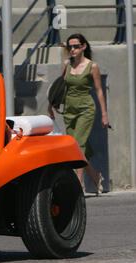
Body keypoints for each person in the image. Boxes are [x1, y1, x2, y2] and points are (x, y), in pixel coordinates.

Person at [48, 33, 110, 193]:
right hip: (69, 109)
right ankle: (96, 176)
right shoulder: (67, 64)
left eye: (76, 46)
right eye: (70, 47)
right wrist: (51, 104)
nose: (73, 50)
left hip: (85, 109)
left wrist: (104, 114)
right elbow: (60, 85)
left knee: (78, 145)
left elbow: (99, 91)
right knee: (75, 146)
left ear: (83, 47)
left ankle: (78, 185)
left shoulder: (92, 66)